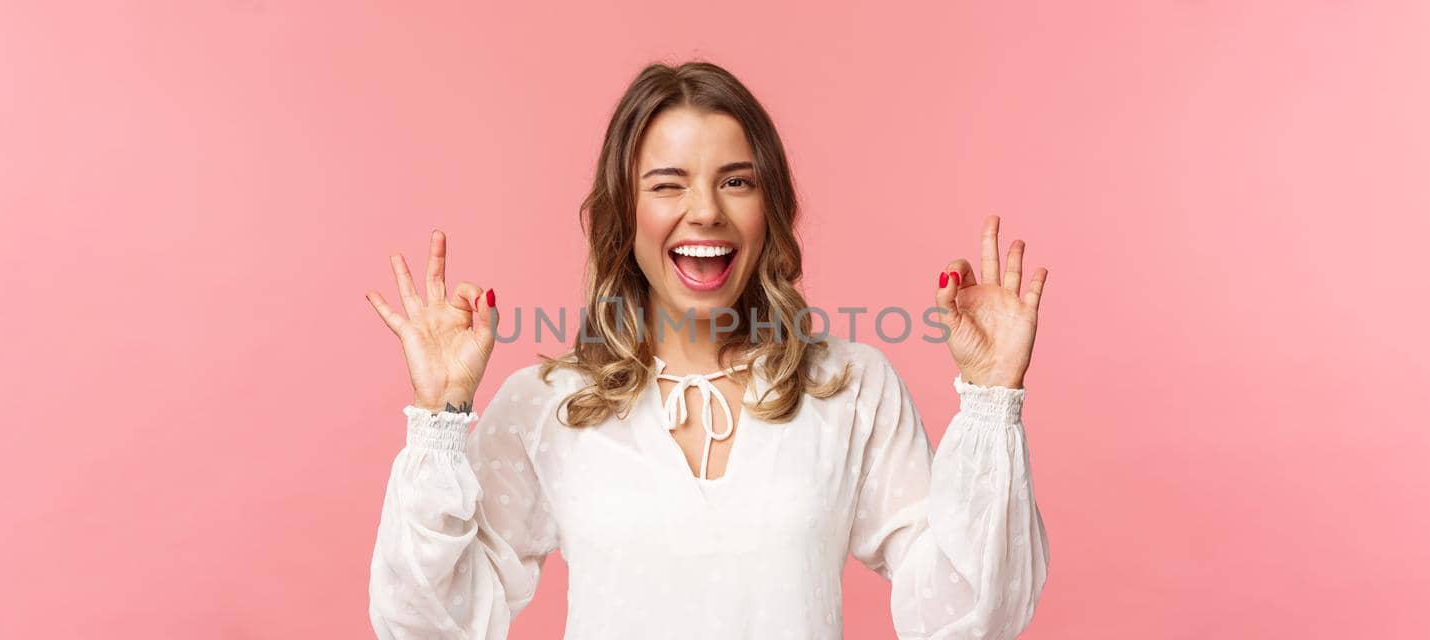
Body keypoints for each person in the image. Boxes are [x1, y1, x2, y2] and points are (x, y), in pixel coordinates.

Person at [363, 61, 1051, 639]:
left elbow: (967, 620)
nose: (706, 211)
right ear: (623, 213)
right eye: (667, 184)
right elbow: (430, 626)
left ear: (768, 208)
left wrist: (992, 396)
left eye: (736, 181)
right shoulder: (547, 405)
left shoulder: (850, 387)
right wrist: (440, 414)